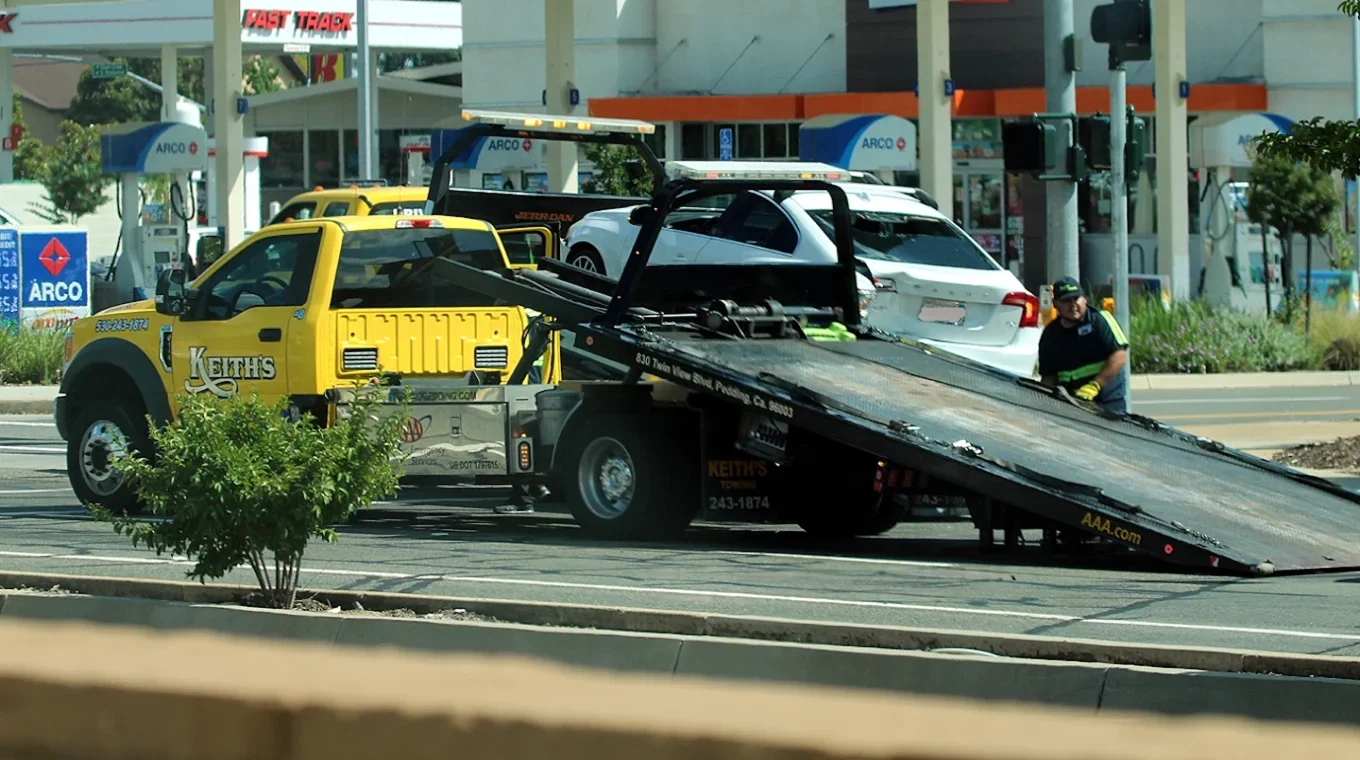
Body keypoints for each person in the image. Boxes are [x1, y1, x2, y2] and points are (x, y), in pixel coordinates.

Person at [1038, 276, 1130, 414]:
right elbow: (1048, 377)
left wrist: (1095, 385)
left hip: (1108, 404)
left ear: (1084, 299)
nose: (1073, 304)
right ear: (1055, 304)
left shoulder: (1100, 319)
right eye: (1066, 300)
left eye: (1076, 298)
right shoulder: (1050, 335)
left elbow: (1120, 355)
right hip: (1072, 405)